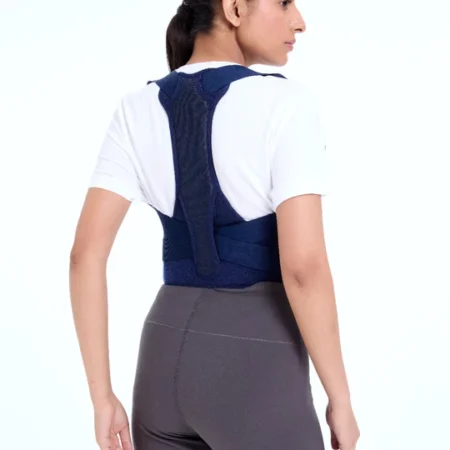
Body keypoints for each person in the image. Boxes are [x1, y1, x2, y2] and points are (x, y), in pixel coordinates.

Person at [69, 0, 360, 449]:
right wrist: (339, 397)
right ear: (235, 8)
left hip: (161, 358)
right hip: (254, 356)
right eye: (284, 2)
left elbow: (84, 257)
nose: (299, 21)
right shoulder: (286, 102)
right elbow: (303, 268)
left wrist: (102, 396)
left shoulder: (135, 107)